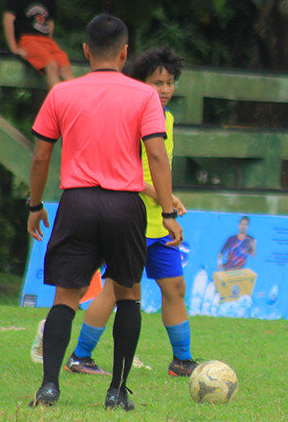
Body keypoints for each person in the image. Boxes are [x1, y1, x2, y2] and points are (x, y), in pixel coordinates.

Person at [26, 14, 183, 410]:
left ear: (84, 51)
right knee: (128, 293)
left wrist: (34, 204)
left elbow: (41, 155)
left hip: (76, 202)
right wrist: (168, 212)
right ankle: (116, 391)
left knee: (66, 295)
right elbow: (158, 155)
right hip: (123, 205)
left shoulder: (61, 93)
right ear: (125, 52)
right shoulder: (143, 96)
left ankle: (49, 387)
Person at [66, 46, 200, 378]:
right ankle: (80, 356)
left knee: (175, 288)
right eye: (158, 83)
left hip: (160, 219)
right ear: (141, 84)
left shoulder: (167, 119)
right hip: (131, 219)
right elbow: (125, 171)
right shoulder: (131, 115)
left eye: (170, 82)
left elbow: (158, 168)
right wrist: (162, 197)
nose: (166, 90)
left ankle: (182, 361)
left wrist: (169, 199)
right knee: (116, 289)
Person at [2, 0, 75, 88]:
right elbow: (8, 20)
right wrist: (13, 47)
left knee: (65, 67)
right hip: (27, 39)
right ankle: (58, 104)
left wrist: (49, 42)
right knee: (51, 65)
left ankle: (76, 103)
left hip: (45, 41)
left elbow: (50, 23)